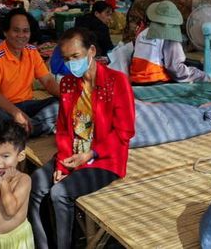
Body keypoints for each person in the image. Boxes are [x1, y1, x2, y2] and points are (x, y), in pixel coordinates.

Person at [29, 28, 135, 249]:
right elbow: (64, 128)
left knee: (60, 193)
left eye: (75, 57)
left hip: (105, 159)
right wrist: (62, 161)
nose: (71, 63)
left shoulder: (117, 82)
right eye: (67, 59)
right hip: (74, 153)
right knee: (36, 184)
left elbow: (125, 132)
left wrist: (90, 154)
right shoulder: (68, 83)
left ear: (91, 51)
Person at [0, 8, 60, 136]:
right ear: (5, 32)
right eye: (16, 30)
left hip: (27, 105)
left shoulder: (32, 51)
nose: (21, 35)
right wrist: (16, 113)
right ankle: (43, 127)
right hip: (0, 110)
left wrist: (68, 98)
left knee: (61, 105)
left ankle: (28, 128)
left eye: (25, 31)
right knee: (0, 122)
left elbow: (48, 81)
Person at [0, 121, 34, 249]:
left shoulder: (24, 180)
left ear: (20, 156)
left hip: (18, 239)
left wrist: (3, 182)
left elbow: (10, 210)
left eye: (5, 156)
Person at [130, 0, 209, 84]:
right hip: (156, 81)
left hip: (135, 80)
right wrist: (201, 75)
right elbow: (176, 70)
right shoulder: (170, 36)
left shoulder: (143, 33)